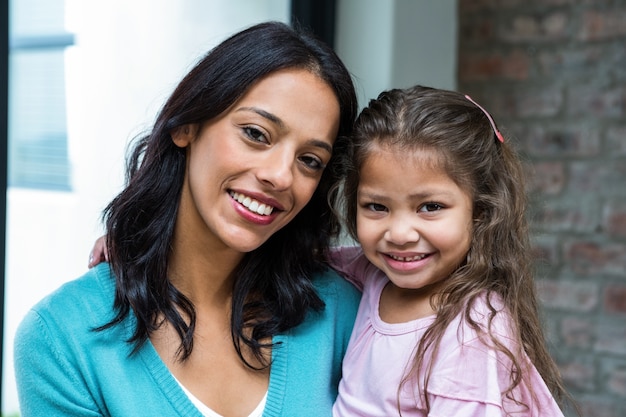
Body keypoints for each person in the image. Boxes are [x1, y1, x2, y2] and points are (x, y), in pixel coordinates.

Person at [13, 21, 361, 417]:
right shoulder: (62, 338)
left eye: (310, 160)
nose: (281, 176)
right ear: (187, 126)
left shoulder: (341, 314)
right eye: (256, 133)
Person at [328, 85, 575, 416]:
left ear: (480, 212)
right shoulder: (373, 274)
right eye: (376, 206)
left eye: (430, 206)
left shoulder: (470, 333)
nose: (399, 234)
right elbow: (308, 261)